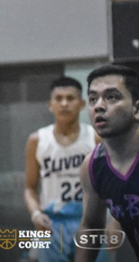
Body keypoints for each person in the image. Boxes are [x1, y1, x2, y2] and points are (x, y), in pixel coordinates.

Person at [24, 76, 100, 262]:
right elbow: (29, 188)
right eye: (59, 98)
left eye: (70, 98)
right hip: (52, 221)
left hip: (89, 221)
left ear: (82, 104)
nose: (64, 103)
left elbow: (110, 185)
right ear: (50, 105)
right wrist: (36, 214)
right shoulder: (37, 140)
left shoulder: (95, 137)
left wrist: (114, 222)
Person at [76, 64, 139, 261]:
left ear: (137, 109)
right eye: (93, 99)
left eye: (111, 97)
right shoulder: (93, 166)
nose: (99, 106)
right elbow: (91, 227)